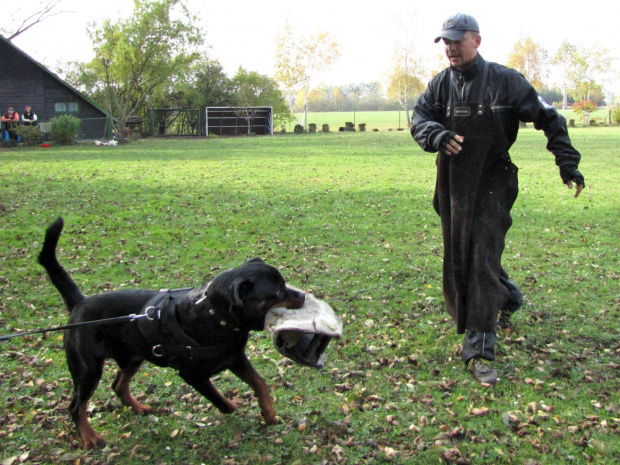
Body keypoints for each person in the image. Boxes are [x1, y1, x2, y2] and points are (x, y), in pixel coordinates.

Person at [410, 13, 585, 385]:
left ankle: (480, 351)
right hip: (452, 183)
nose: (451, 47)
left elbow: (551, 118)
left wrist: (567, 164)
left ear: (477, 40)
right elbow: (419, 118)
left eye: (458, 39)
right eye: (446, 41)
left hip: (494, 179)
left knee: (482, 255)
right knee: (466, 253)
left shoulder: (507, 82)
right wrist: (436, 134)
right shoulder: (439, 85)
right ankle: (508, 296)